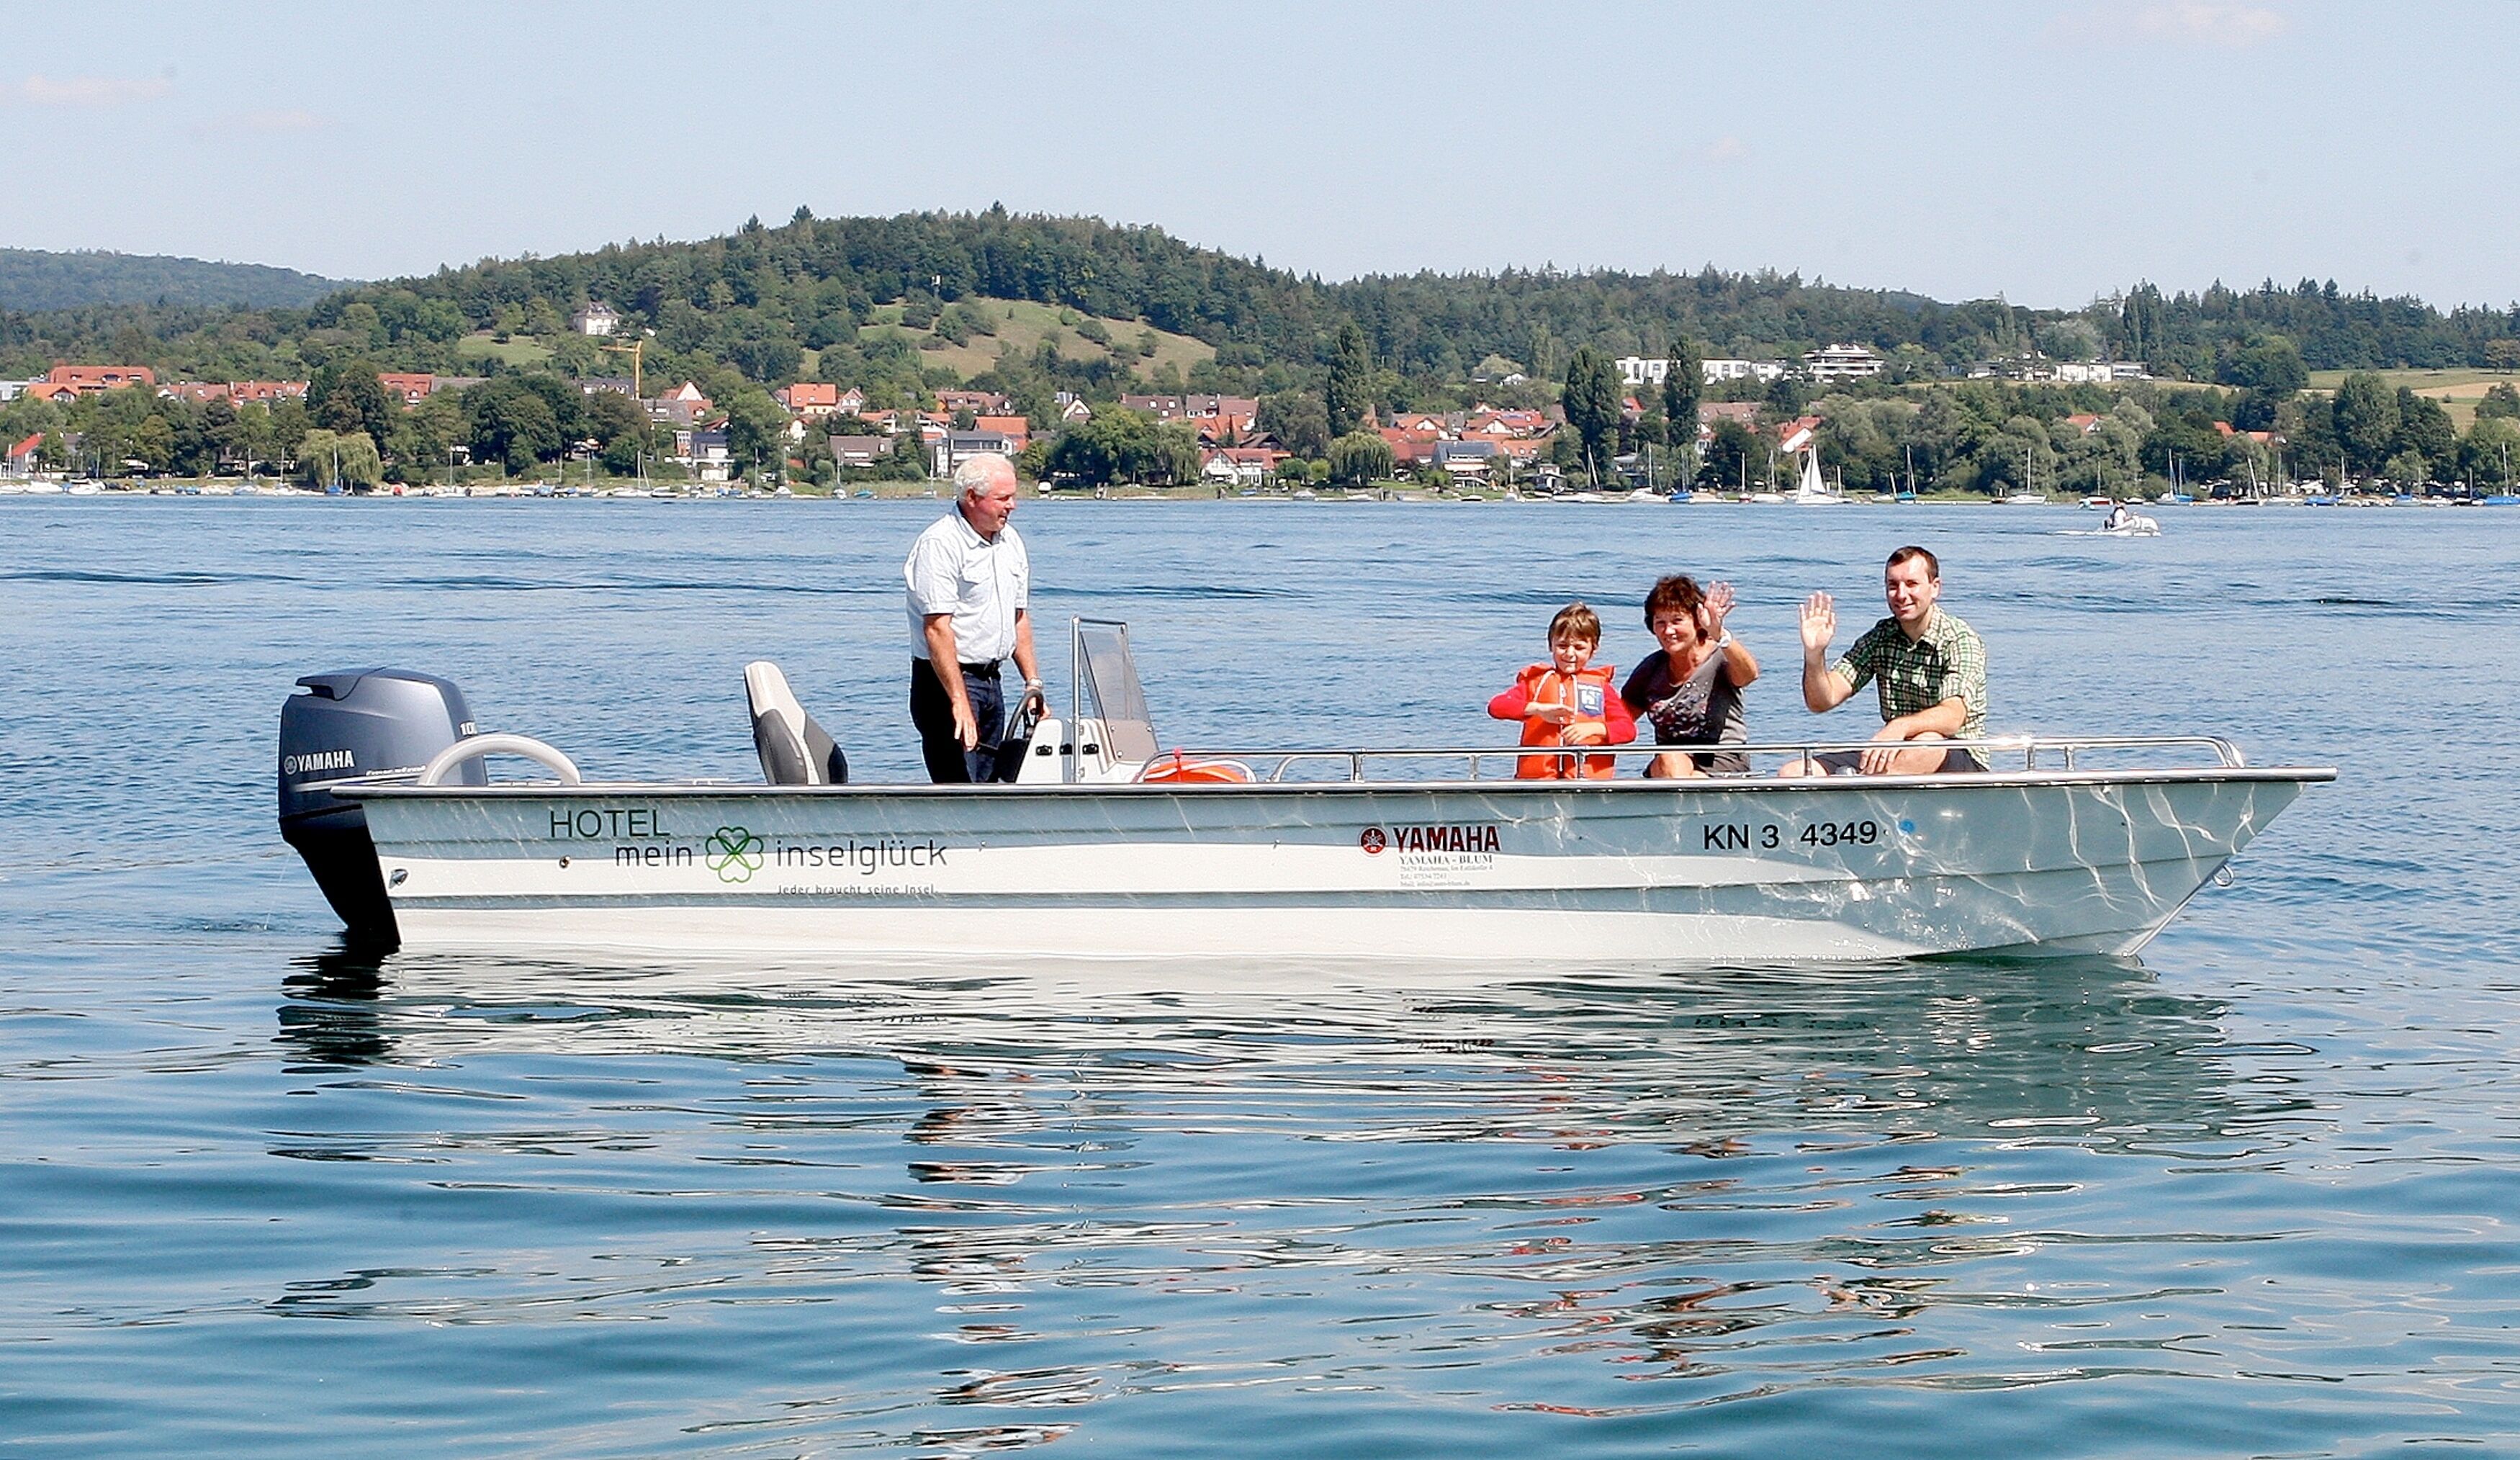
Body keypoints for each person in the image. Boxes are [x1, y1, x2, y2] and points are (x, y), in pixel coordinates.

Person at [1785, 545, 1987, 775]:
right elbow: (1822, 700)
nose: (1901, 595)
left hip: (1959, 754)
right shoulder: (1881, 637)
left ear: (1935, 588)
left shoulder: (1959, 639)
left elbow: (1953, 716)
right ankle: (1856, 797)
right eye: (1893, 586)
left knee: (1928, 742)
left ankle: (1858, 796)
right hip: (1896, 749)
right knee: (1796, 771)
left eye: (1912, 584)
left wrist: (1899, 726)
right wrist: (1814, 655)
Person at [904, 453, 1042, 783]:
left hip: (992, 680)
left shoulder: (1011, 542)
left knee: (993, 781)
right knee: (958, 784)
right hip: (947, 681)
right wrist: (959, 701)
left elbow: (1018, 617)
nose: (1012, 506)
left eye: (1013, 497)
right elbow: (937, 628)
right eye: (1003, 498)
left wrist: (1033, 684)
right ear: (972, 498)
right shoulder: (940, 544)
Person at [1620, 575, 1759, 778]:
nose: (1668, 631)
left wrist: (1720, 635)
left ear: (1697, 622)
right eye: (1660, 622)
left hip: (1722, 760)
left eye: (1677, 621)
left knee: (1687, 771)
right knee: (1672, 760)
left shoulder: (1719, 658)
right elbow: (1621, 718)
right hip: (1669, 765)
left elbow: (1748, 675)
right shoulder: (1651, 668)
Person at [1488, 601, 1636, 780]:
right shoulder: (1536, 682)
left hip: (1588, 784)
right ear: (1551, 645)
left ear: (1593, 650)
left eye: (1579, 647)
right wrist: (1538, 709)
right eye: (1563, 646)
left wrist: (1595, 728)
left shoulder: (1602, 688)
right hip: (1538, 783)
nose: (1570, 654)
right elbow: (1497, 707)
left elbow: (1628, 730)